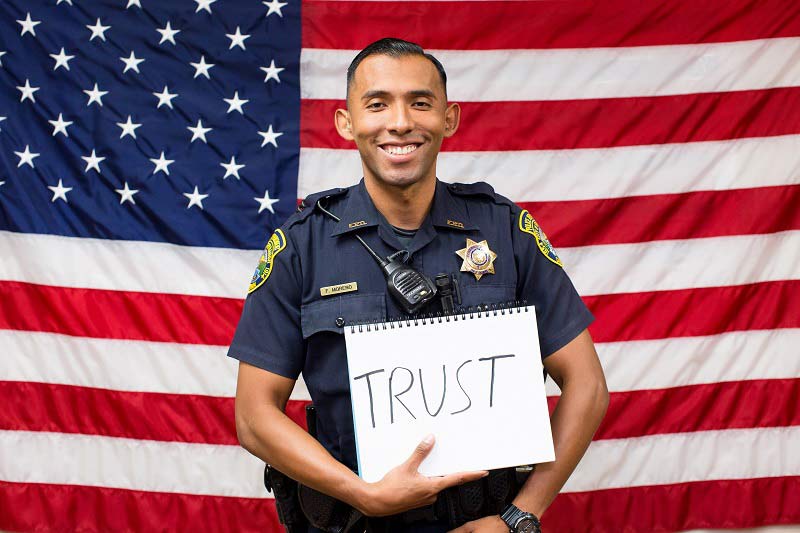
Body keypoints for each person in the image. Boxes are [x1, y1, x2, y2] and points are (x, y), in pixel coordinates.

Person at [230, 38, 609, 533]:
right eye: (377, 103)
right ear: (346, 123)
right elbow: (254, 415)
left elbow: (588, 385)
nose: (401, 122)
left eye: (420, 102)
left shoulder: (504, 232)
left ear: (448, 118)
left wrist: (521, 515)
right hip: (354, 523)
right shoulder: (301, 247)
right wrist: (361, 493)